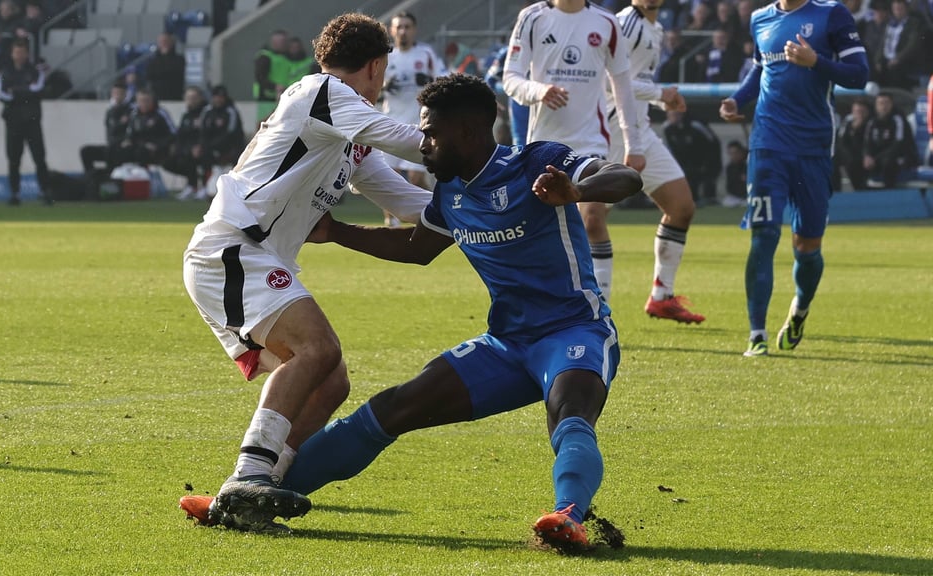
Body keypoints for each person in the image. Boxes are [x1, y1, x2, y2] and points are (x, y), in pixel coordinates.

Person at [181, 74, 643, 551]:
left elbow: (626, 178)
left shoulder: (536, 162)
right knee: (390, 409)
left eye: (432, 133)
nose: (424, 145)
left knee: (568, 412)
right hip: (506, 345)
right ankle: (242, 500)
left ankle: (569, 516)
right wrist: (338, 232)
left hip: (575, 330)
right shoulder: (451, 194)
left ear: (467, 131)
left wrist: (578, 191)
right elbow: (416, 248)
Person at [178, 13, 434, 534]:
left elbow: (408, 202)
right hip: (232, 247)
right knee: (318, 349)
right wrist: (474, 153)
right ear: (377, 66)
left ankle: (254, 493)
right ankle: (248, 475)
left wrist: (491, 211)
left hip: (249, 258)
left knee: (330, 380)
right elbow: (406, 140)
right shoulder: (322, 92)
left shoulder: (346, 130)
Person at [720, 0, 869, 356]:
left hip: (814, 147)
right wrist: (737, 100)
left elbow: (859, 75)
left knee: (807, 247)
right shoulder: (761, 19)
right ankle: (756, 334)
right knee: (764, 235)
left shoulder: (831, 14)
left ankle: (799, 310)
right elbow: (759, 71)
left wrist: (816, 61)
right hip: (768, 144)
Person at [503, 0, 645, 304]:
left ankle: (600, 308)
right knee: (538, 231)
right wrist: (539, 91)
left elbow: (622, 86)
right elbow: (510, 78)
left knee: (592, 218)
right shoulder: (532, 18)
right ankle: (542, 305)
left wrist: (634, 143)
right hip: (543, 145)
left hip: (590, 140)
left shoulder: (606, 22)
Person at [601, 0, 706, 324]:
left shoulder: (654, 26)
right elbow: (613, 81)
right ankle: (587, 308)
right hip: (614, 130)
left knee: (681, 207)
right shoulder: (625, 24)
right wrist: (663, 93)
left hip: (640, 128)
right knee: (586, 220)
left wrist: (662, 99)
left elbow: (636, 83)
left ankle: (662, 296)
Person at [380, 11, 448, 226]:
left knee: (416, 178)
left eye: (407, 26)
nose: (403, 31)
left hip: (420, 125)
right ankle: (391, 223)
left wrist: (428, 80)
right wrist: (384, 86)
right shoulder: (385, 55)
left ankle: (441, 211)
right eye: (399, 27)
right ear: (391, 30)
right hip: (390, 122)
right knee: (386, 177)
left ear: (414, 29)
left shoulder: (425, 54)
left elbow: (444, 80)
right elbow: (369, 87)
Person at [0, 37, 50, 205]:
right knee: (13, 159)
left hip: (32, 120)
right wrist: (25, 91)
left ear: (27, 54)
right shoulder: (4, 72)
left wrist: (16, 92)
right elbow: (2, 94)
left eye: (22, 52)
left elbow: (37, 89)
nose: (19, 55)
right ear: (12, 54)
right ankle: (15, 193)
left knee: (39, 157)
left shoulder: (35, 71)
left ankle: (45, 191)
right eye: (16, 52)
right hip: (13, 122)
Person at [662, 109, 722, 205]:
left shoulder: (695, 125)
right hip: (685, 162)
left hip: (703, 159)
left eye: (675, 114)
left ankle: (708, 198)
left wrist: (708, 163)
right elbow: (671, 148)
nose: (672, 117)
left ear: (681, 114)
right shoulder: (667, 128)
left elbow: (713, 142)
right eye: (670, 115)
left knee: (704, 181)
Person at [863, 92, 918, 188]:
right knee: (856, 162)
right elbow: (866, 142)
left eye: (886, 103)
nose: (884, 106)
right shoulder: (872, 121)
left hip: (901, 156)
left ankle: (889, 193)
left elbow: (898, 145)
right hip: (878, 157)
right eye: (880, 103)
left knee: (888, 162)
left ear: (892, 104)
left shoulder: (898, 119)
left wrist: (875, 159)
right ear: (876, 106)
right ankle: (861, 194)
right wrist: (867, 156)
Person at [196, 84, 244, 193]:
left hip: (229, 148)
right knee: (200, 154)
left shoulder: (231, 112)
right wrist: (207, 146)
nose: (218, 99)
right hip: (210, 147)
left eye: (221, 97)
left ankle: (233, 188)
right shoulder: (207, 111)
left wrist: (215, 147)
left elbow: (231, 133)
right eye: (216, 96)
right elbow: (202, 132)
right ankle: (204, 186)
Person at [165, 85, 208, 199]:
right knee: (169, 160)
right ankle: (192, 185)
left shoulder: (206, 112)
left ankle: (203, 186)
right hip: (188, 148)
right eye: (188, 98)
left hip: (204, 147)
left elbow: (207, 133)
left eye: (194, 97)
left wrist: (200, 145)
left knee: (196, 156)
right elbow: (181, 135)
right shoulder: (186, 115)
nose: (191, 101)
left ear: (201, 98)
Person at [115, 88, 175, 167]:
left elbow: (173, 134)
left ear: (152, 100)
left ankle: (143, 176)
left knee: (142, 152)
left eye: (146, 100)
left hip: (157, 148)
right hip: (139, 145)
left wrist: (157, 145)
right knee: (117, 150)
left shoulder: (161, 113)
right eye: (141, 101)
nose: (144, 103)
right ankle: (116, 176)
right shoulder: (134, 114)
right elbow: (130, 132)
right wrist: (128, 141)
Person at [253, 29, 290, 126]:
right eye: (282, 42)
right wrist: (275, 86)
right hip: (267, 97)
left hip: (281, 96)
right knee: (264, 124)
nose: (285, 44)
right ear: (274, 42)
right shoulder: (265, 56)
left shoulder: (285, 57)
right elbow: (260, 77)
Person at [835, 98, 873, 190]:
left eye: (861, 111)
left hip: (864, 154)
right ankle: (836, 189)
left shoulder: (871, 122)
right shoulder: (848, 121)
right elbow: (841, 140)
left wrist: (858, 129)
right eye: (856, 111)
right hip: (849, 153)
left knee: (856, 163)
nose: (858, 114)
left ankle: (860, 187)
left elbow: (869, 142)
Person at [145, 32, 185, 101]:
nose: (163, 43)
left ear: (171, 42)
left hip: (175, 94)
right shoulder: (152, 60)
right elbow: (149, 75)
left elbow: (175, 73)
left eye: (166, 41)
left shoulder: (179, 59)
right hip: (157, 95)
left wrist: (166, 57)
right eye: (161, 41)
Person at [723, 140, 748, 207]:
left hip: (747, 197)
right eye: (731, 153)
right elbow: (730, 186)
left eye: (736, 153)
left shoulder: (748, 165)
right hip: (735, 197)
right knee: (727, 202)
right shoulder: (730, 168)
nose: (733, 156)